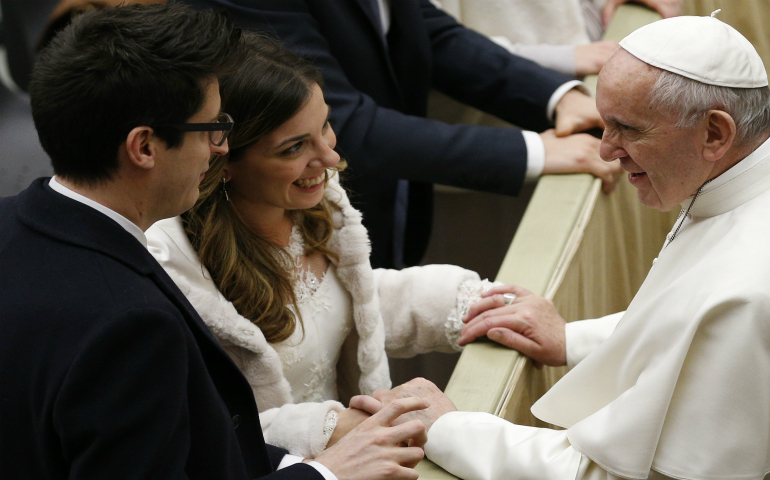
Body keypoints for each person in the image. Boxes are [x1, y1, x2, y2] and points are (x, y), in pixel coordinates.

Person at [0, 5, 429, 480]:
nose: (222, 147)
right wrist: (325, 474)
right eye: (212, 128)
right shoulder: (130, 325)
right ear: (144, 147)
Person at [352, 13, 770, 480]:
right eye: (605, 125)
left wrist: (448, 429)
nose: (607, 150)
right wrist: (572, 340)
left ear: (715, 133)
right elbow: (686, 325)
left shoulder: (747, 290)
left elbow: (629, 475)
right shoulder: (739, 184)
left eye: (629, 129)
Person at [146, 31, 513, 458]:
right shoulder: (176, 267)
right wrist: (333, 427)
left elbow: (348, 309)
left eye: (324, 124)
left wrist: (470, 303)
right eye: (294, 147)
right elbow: (209, 427)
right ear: (222, 160)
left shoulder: (315, 200)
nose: (331, 158)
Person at [179, 0, 621, 269]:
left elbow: (427, 30)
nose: (327, 154)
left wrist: (556, 96)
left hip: (374, 208)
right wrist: (531, 151)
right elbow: (341, 122)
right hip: (279, 223)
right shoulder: (322, 152)